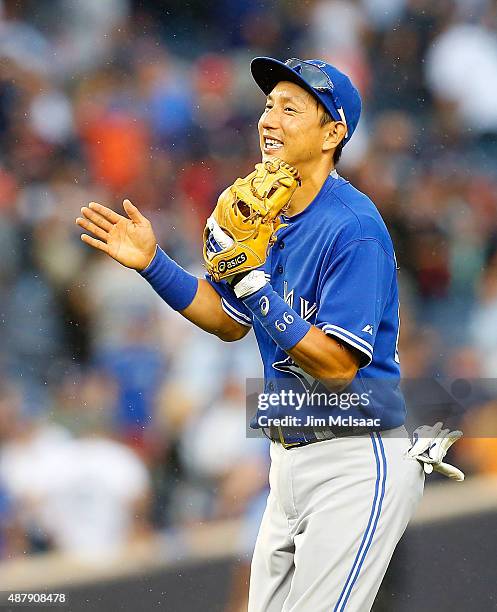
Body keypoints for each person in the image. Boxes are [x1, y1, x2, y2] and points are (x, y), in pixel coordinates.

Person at [76, 57, 425, 611]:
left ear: (334, 133)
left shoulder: (353, 227)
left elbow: (338, 368)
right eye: (268, 106)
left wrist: (255, 283)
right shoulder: (265, 212)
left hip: (357, 457)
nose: (269, 119)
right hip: (286, 460)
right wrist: (153, 264)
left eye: (291, 109)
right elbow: (227, 321)